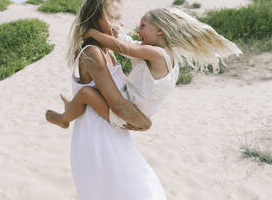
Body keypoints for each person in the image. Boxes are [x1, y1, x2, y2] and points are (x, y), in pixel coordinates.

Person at [48, 0, 168, 199]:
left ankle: (64, 115)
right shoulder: (93, 53)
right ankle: (62, 118)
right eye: (113, 18)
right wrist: (145, 123)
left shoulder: (109, 51)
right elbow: (118, 104)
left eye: (120, 18)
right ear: (94, 20)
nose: (120, 24)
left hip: (115, 133)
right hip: (97, 138)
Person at [46, 7, 242, 130]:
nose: (138, 30)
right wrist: (114, 30)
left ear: (159, 30)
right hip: (135, 112)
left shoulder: (156, 54)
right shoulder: (162, 56)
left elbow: (123, 47)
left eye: (143, 26)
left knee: (86, 93)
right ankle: (71, 108)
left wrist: (94, 33)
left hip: (126, 115)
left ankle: (64, 118)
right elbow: (127, 43)